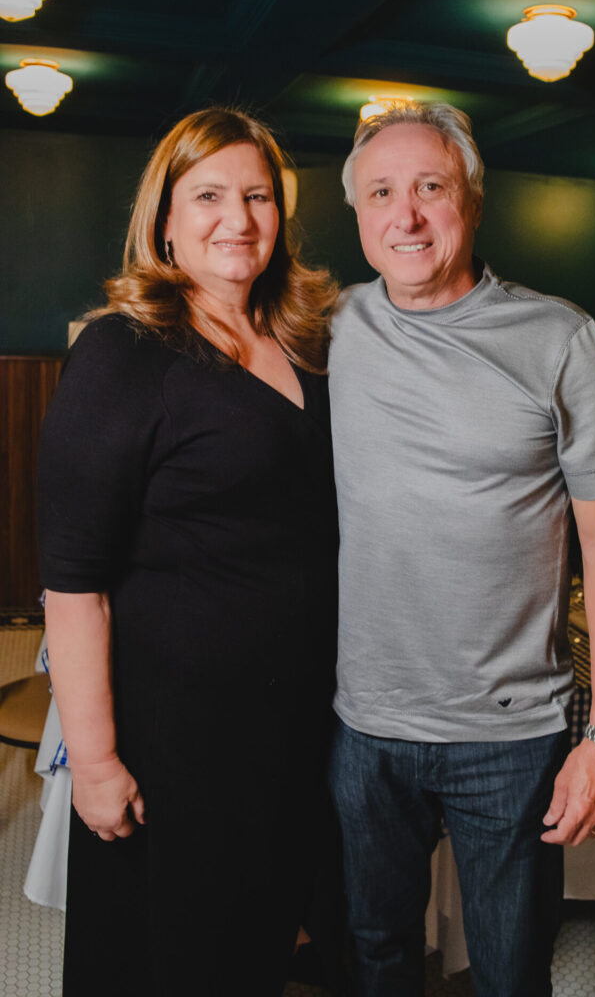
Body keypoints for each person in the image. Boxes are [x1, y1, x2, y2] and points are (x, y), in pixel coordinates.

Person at [327, 102, 595, 997]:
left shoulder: (559, 338)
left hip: (510, 735)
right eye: (380, 193)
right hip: (366, 725)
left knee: (510, 973)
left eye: (429, 186)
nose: (405, 214)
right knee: (377, 955)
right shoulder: (327, 327)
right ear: (356, 213)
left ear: (469, 199)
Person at [37, 106, 342, 997]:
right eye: (208, 195)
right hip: (173, 739)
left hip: (290, 729)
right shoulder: (123, 352)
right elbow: (74, 585)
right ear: (165, 220)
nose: (237, 218)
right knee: (164, 957)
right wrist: (96, 763)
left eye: (258, 196)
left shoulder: (307, 344)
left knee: (250, 951)